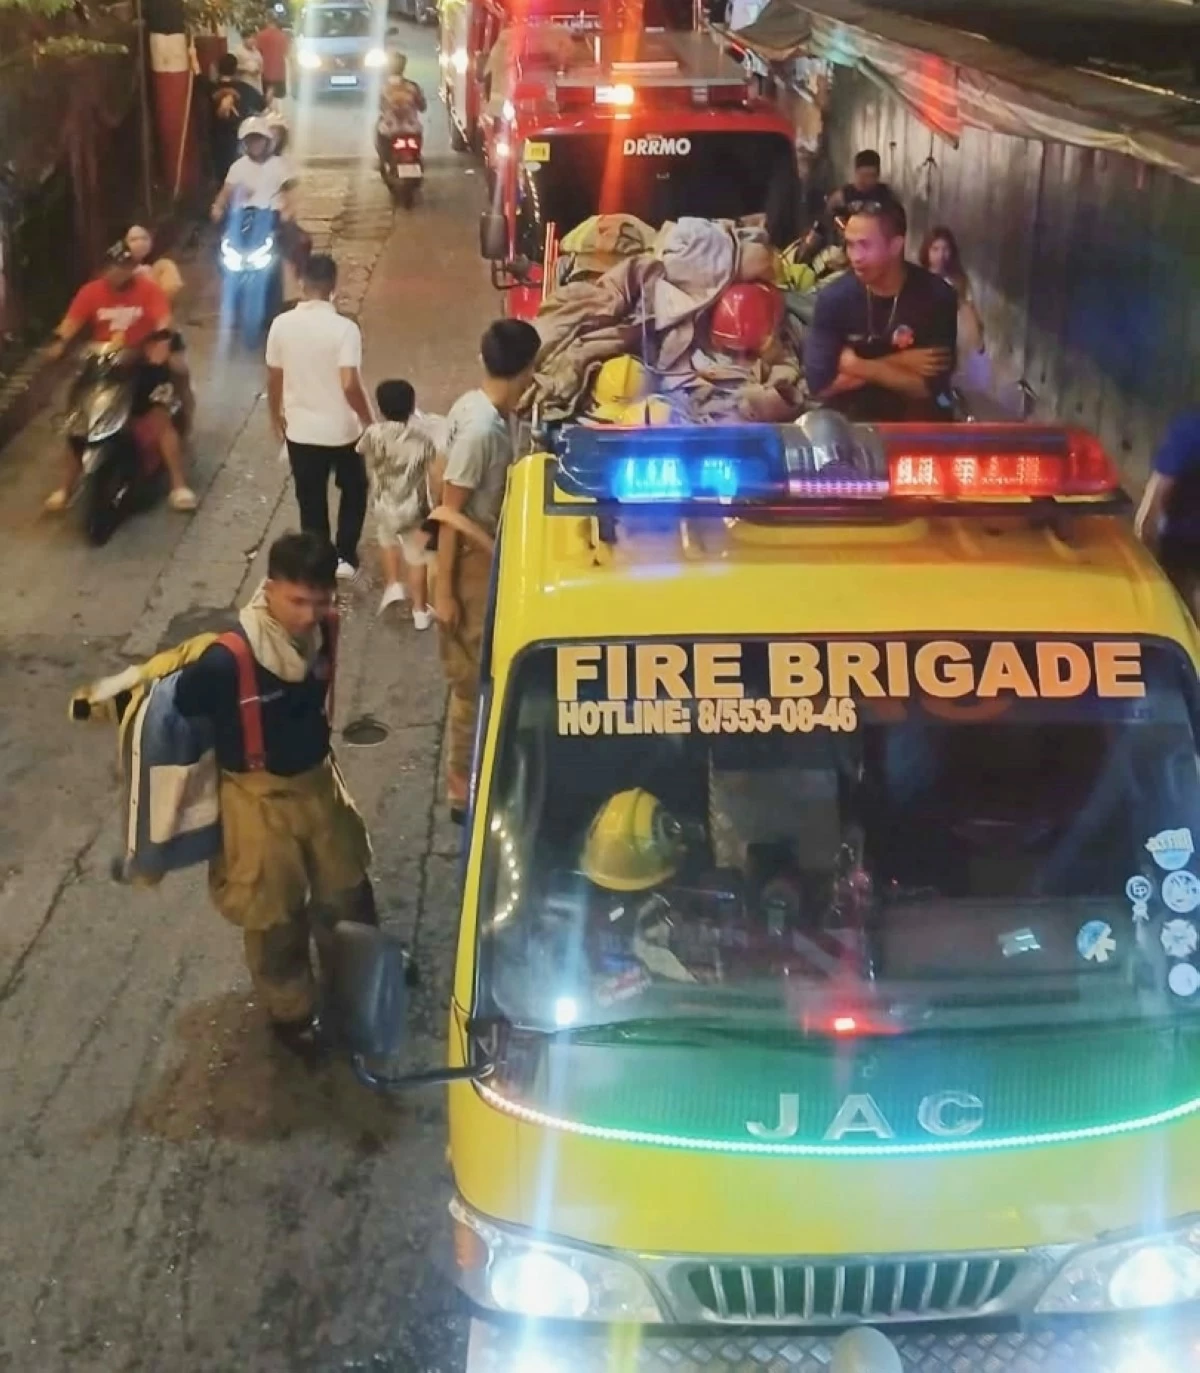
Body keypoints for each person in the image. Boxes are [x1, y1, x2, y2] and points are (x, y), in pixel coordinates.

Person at [172, 531, 376, 1059]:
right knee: (275, 916)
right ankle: (293, 1013)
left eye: (320, 600)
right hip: (257, 801)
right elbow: (180, 709)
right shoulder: (225, 661)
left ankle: (362, 973)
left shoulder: (324, 629)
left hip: (316, 783)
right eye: (297, 601)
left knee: (348, 888)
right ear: (269, 589)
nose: (310, 614)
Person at [435, 318, 540, 820]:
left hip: (481, 557)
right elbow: (449, 511)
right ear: (530, 368)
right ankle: (464, 789)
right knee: (471, 682)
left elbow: (438, 471)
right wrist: (445, 591)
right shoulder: (481, 431)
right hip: (471, 567)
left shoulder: (476, 409)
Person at [44, 245, 196, 512]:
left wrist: (160, 342)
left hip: (142, 362)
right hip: (103, 366)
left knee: (158, 417)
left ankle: (178, 484)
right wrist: (59, 341)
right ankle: (65, 488)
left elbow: (162, 319)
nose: (119, 272)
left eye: (125, 266)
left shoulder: (148, 290)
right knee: (77, 423)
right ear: (104, 268)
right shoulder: (90, 292)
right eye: (114, 266)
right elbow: (70, 323)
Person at [266, 254, 373, 580]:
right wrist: (369, 420)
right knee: (354, 489)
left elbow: (273, 377)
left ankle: (319, 560)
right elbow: (349, 383)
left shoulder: (281, 325)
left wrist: (275, 417)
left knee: (310, 498)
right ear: (333, 286)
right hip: (342, 430)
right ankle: (345, 555)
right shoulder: (345, 329)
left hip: (301, 430)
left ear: (301, 282)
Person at [803, 198, 957, 423]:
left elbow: (932, 388)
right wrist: (903, 361)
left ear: (895, 246)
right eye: (850, 244)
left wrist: (857, 364)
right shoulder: (834, 298)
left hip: (915, 424)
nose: (855, 257)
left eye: (865, 245)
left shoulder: (937, 296)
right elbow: (819, 384)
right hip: (850, 422)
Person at [358, 379, 441, 626]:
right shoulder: (421, 439)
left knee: (387, 540)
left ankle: (393, 584)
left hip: (384, 502)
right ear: (412, 406)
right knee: (417, 556)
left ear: (381, 408)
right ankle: (419, 611)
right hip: (412, 507)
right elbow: (434, 472)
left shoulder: (372, 434)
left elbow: (361, 451)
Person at [126, 224, 195, 433]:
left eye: (143, 238)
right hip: (130, 340)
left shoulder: (163, 266)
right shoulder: (120, 272)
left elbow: (169, 296)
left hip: (162, 335)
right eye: (133, 239)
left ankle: (186, 418)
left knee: (179, 373)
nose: (138, 243)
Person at [1135, 410, 1200, 609]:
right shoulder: (1190, 431)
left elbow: (1158, 491)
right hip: (1184, 539)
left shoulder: (1190, 430)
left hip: (1182, 540)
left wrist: (1144, 555)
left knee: (1176, 604)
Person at [919, 224, 987, 390]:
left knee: (942, 395)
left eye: (945, 249)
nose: (941, 255)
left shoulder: (958, 282)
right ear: (926, 251)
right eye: (935, 249)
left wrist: (977, 342)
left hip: (946, 348)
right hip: (920, 347)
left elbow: (968, 309)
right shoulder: (917, 279)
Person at [210, 52, 266, 184]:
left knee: (221, 178)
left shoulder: (208, 89)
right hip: (238, 141)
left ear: (217, 69)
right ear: (236, 70)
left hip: (215, 141)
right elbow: (262, 105)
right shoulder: (245, 89)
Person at [824, 149, 896, 218]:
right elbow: (829, 216)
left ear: (878, 175)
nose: (867, 180)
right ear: (855, 173)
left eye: (871, 176)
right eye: (863, 176)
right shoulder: (843, 194)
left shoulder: (885, 194)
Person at [256, 15, 290, 100]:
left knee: (268, 90)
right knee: (275, 92)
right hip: (279, 69)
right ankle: (271, 108)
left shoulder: (261, 35)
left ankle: (267, 107)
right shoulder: (283, 36)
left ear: (267, 21)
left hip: (265, 68)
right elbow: (286, 52)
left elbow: (257, 51)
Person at [233, 31, 265, 95]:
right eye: (250, 37)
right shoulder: (238, 51)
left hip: (257, 84)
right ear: (244, 39)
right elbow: (234, 67)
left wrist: (260, 70)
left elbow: (261, 64)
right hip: (245, 84)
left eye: (254, 37)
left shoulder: (256, 51)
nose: (253, 40)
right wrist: (247, 70)